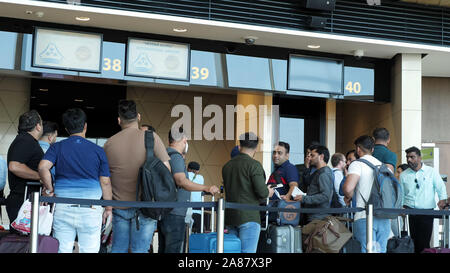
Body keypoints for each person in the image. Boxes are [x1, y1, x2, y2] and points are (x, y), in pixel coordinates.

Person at [38, 108, 113, 253]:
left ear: (66, 129)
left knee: (62, 249)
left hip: (63, 208)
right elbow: (105, 182)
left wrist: (49, 189)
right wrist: (108, 208)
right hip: (91, 209)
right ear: (85, 126)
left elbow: (42, 167)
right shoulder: (98, 151)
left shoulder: (57, 147)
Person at [103, 100, 171, 253]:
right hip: (146, 206)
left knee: (118, 249)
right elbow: (166, 170)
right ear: (138, 117)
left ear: (119, 120)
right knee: (140, 250)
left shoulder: (109, 144)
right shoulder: (151, 138)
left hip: (119, 206)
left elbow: (105, 179)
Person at [159, 126, 219, 253]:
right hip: (175, 213)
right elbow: (181, 180)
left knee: (164, 248)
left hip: (165, 212)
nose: (186, 143)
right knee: (174, 249)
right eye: (186, 139)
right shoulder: (175, 157)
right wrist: (206, 187)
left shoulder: (164, 154)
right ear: (182, 139)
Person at [222, 132, 274, 253]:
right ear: (256, 148)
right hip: (249, 217)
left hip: (230, 217)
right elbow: (262, 192)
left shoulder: (227, 166)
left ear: (239, 146)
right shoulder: (254, 165)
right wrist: (269, 191)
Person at [343, 135, 391, 253]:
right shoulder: (384, 166)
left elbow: (348, 188)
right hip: (384, 217)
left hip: (365, 216)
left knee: (366, 250)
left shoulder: (357, 164)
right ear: (373, 149)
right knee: (381, 250)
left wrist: (348, 196)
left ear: (358, 149)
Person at [400, 146, 448, 253]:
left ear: (420, 158)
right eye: (407, 157)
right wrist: (401, 207)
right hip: (410, 211)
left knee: (424, 242)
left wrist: (442, 200)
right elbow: (401, 193)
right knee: (412, 241)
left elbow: (440, 187)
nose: (409, 160)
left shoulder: (431, 172)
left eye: (412, 157)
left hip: (426, 212)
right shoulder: (404, 175)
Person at [6, 110, 44, 227]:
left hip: (24, 200)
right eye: (41, 123)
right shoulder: (25, 141)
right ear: (38, 126)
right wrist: (40, 176)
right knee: (24, 243)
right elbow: (14, 166)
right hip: (22, 201)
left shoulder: (25, 140)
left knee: (26, 242)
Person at [294, 145, 333, 223]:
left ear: (321, 156)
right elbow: (308, 183)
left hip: (318, 217)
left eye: (313, 155)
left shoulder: (324, 173)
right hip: (314, 216)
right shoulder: (318, 172)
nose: (309, 158)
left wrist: (304, 198)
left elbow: (325, 196)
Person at [186, 161, 204, 233]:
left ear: (188, 169)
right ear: (198, 171)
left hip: (186, 210)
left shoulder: (185, 175)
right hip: (198, 210)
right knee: (197, 235)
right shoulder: (201, 178)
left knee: (186, 233)